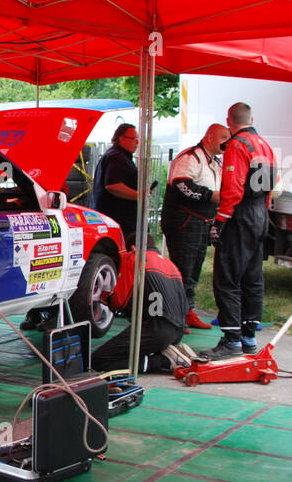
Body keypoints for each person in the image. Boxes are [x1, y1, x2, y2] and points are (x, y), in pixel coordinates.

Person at [209, 102, 278, 359]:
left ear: (229, 120)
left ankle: (231, 339)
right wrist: (263, 212)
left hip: (241, 214)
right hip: (260, 213)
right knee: (252, 277)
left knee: (227, 278)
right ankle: (249, 336)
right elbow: (271, 185)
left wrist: (220, 221)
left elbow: (233, 188)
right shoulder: (264, 144)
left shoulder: (237, 145)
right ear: (251, 118)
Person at [161, 123, 230, 328]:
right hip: (184, 222)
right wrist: (212, 196)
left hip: (201, 222)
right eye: (223, 137)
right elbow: (182, 185)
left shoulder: (214, 161)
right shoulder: (190, 157)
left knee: (193, 272)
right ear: (209, 137)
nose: (227, 142)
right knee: (183, 270)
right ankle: (177, 316)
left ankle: (186, 312)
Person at [92, 236, 190, 374]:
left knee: (99, 360)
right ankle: (166, 352)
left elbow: (121, 301)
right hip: (178, 330)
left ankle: (163, 361)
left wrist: (105, 298)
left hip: (157, 329)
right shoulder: (169, 264)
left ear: (131, 246)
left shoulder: (135, 258)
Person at [93, 122, 139, 241]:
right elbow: (113, 185)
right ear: (121, 139)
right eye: (134, 139)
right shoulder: (116, 157)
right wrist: (139, 196)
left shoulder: (117, 156)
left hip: (118, 219)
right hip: (117, 219)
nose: (137, 142)